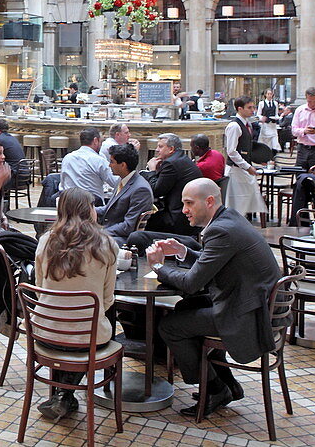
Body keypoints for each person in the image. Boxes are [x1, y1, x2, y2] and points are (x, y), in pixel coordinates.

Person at [148, 178, 280, 417]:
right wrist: (182, 251)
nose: (184, 210)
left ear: (209, 201)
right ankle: (226, 384)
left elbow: (191, 283)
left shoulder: (221, 230)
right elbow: (212, 260)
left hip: (251, 315)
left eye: (189, 203)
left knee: (170, 326)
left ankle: (215, 388)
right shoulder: (229, 218)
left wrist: (158, 267)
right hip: (253, 302)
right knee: (184, 308)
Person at [31, 187, 118, 420]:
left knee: (70, 333)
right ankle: (65, 396)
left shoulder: (45, 241)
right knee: (87, 332)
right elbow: (108, 298)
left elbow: (41, 288)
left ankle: (62, 396)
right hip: (87, 338)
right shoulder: (107, 244)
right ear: (89, 210)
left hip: (45, 331)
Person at [141, 133, 203, 235]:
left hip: (179, 219)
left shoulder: (170, 163)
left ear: (171, 149)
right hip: (191, 215)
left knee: (141, 222)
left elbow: (156, 191)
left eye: (160, 147)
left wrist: (151, 171)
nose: (157, 150)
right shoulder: (181, 158)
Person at [99, 144, 154, 245]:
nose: (109, 165)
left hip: (122, 238)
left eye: (112, 162)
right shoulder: (122, 180)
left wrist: (100, 233)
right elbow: (108, 209)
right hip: (111, 231)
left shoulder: (141, 189)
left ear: (123, 165)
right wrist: (85, 209)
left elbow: (128, 226)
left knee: (85, 243)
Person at [222, 96, 267, 217]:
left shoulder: (247, 124)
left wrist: (258, 159)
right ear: (240, 108)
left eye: (253, 107)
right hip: (235, 170)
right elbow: (231, 151)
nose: (252, 110)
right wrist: (247, 166)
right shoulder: (234, 126)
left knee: (245, 201)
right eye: (249, 107)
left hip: (242, 170)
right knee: (236, 204)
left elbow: (246, 148)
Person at [59, 127, 117, 202]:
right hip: (91, 205)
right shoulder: (99, 160)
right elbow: (115, 183)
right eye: (101, 142)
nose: (101, 145)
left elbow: (62, 185)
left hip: (68, 204)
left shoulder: (67, 158)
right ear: (95, 141)